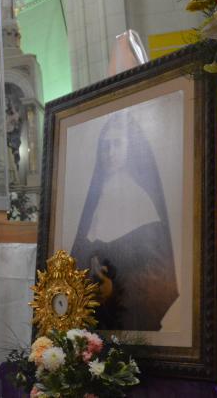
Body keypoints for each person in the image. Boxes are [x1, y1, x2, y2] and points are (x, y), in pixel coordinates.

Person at [70, 112, 178, 331]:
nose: (110, 153)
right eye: (105, 146)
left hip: (131, 319)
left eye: (117, 144)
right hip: (95, 318)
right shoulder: (95, 199)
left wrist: (115, 288)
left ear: (131, 148)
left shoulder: (141, 199)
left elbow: (158, 274)